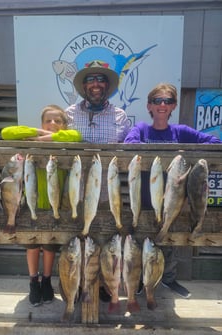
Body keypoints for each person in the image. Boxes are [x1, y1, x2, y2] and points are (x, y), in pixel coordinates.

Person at [124, 82, 221, 298]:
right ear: (149, 106)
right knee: (141, 241)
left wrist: (188, 150)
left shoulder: (181, 131)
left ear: (173, 106)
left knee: (170, 241)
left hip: (174, 198)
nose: (162, 105)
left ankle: (168, 279)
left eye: (167, 101)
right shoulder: (142, 129)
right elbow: (129, 142)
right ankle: (141, 281)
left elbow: (213, 141)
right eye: (157, 100)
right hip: (145, 197)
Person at [1, 104, 82, 306]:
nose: (52, 124)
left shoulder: (65, 141)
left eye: (57, 121)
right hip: (32, 204)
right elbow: (6, 133)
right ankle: (33, 281)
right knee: (32, 244)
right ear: (41, 123)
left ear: (64, 124)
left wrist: (45, 138)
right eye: (48, 120)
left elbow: (75, 136)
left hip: (56, 206)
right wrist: (39, 134)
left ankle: (46, 280)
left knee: (50, 245)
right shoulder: (31, 140)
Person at [66, 60, 131, 302]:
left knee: (105, 245)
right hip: (75, 195)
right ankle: (76, 285)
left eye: (101, 79)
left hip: (107, 195)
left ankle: (105, 286)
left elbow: (131, 147)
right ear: (84, 85)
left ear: (108, 86)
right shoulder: (68, 114)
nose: (96, 84)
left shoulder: (120, 116)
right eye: (91, 79)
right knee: (74, 245)